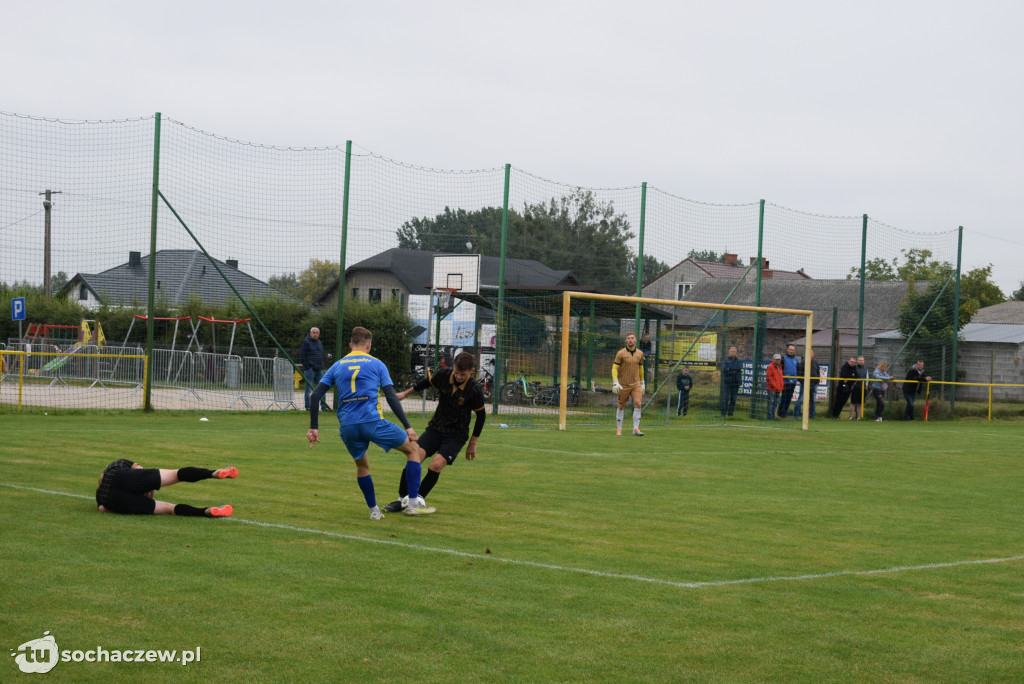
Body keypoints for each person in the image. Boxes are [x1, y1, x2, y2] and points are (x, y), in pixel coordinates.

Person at [306, 326, 432, 519]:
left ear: (350, 345)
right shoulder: (377, 364)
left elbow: (315, 396)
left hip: (348, 426)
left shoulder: (338, 365)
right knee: (413, 450)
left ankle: (374, 511)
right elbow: (390, 396)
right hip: (373, 422)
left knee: (362, 466)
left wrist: (314, 427)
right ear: (368, 345)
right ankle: (413, 502)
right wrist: (408, 426)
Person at [381, 352, 486, 513]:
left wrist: (473, 443)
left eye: (462, 375)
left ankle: (417, 501)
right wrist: (404, 393)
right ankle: (401, 499)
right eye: (456, 372)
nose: (458, 376)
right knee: (414, 457)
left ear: (471, 372)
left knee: (436, 465)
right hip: (435, 429)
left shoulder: (475, 389)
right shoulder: (444, 374)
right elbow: (425, 383)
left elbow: (481, 416)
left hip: (456, 435)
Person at [95, 459, 235, 517]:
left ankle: (205, 511)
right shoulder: (117, 465)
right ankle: (213, 473)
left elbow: (102, 509)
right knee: (176, 475)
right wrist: (150, 485)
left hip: (114, 500)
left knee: (169, 508)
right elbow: (139, 469)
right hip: (121, 477)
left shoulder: (100, 499)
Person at [612, 332, 645, 436]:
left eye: (632, 338)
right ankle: (619, 429)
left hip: (636, 384)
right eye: (628, 338)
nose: (630, 340)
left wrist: (642, 382)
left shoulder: (640, 353)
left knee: (638, 403)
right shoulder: (620, 353)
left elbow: (641, 368)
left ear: (635, 340)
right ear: (626, 341)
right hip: (623, 384)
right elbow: (614, 368)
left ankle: (636, 429)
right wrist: (615, 381)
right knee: (621, 405)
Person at [301, 327, 330, 412]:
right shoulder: (306, 342)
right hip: (310, 369)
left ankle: (324, 406)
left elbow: (321, 356)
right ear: (310, 333)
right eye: (313, 332)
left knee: (322, 388)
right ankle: (308, 406)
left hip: (319, 369)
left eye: (317, 333)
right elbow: (303, 356)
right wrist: (307, 367)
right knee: (309, 388)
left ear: (319, 334)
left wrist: (321, 367)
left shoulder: (319, 342)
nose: (315, 334)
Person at [794, 349, 821, 419]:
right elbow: (799, 374)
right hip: (805, 385)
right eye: (809, 353)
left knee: (813, 401)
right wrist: (802, 382)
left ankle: (811, 416)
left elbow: (818, 373)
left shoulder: (816, 362)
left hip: (814, 385)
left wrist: (817, 381)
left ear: (813, 354)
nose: (810, 354)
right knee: (800, 400)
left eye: (811, 353)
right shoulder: (803, 363)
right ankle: (796, 415)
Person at [778, 344, 799, 418]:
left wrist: (797, 379)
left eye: (793, 350)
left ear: (794, 351)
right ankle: (780, 412)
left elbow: (797, 370)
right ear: (787, 350)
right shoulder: (784, 358)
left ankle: (784, 413)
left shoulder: (796, 359)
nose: (791, 351)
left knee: (789, 398)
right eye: (790, 349)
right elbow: (781, 369)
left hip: (793, 382)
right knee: (784, 397)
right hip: (786, 382)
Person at [720, 346, 742, 417]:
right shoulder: (725, 361)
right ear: (729, 352)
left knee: (733, 399)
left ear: (736, 353)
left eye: (734, 352)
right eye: (731, 351)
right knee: (725, 398)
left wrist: (730, 368)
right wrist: (733, 370)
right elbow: (724, 370)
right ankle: (723, 413)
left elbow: (739, 368)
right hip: (727, 383)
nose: (732, 353)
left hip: (736, 383)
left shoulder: (739, 361)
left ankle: (730, 414)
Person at [848, 355, 867, 420]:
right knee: (853, 402)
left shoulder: (865, 368)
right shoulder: (854, 368)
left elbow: (867, 377)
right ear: (857, 361)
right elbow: (852, 376)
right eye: (860, 360)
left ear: (864, 361)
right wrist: (852, 385)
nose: (861, 361)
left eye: (862, 360)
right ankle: (851, 417)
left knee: (860, 403)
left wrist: (866, 385)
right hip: (855, 387)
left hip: (863, 387)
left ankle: (859, 417)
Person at [765, 353, 784, 419]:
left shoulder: (780, 367)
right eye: (776, 359)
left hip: (778, 388)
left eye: (779, 359)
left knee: (776, 403)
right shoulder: (770, 367)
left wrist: (781, 385)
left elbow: (781, 377)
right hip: (772, 388)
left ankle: (773, 415)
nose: (778, 361)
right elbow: (769, 378)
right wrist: (775, 386)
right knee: (771, 402)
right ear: (773, 359)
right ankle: (770, 416)